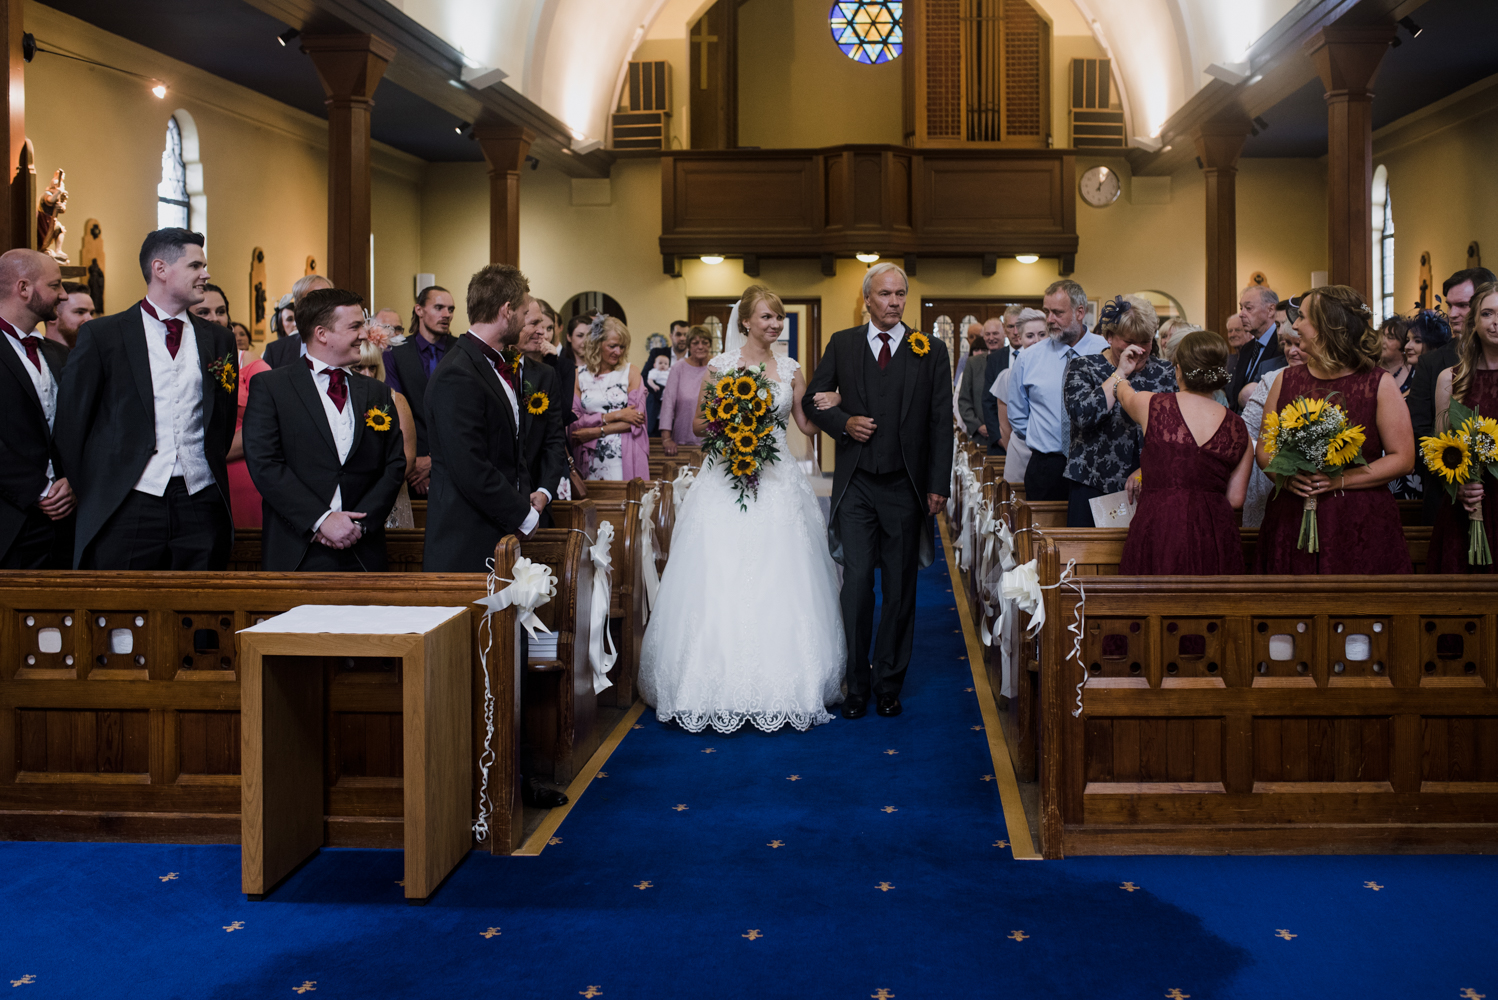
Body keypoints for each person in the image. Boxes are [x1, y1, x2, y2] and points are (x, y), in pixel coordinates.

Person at [640, 284, 845, 733]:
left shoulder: (790, 368)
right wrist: (733, 421)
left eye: (779, 317)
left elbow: (806, 425)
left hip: (777, 481)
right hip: (726, 477)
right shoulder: (721, 365)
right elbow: (697, 423)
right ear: (746, 321)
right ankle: (708, 683)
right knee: (721, 572)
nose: (775, 324)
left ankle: (790, 683)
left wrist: (833, 404)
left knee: (781, 574)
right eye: (767, 317)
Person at [806, 262, 954, 719]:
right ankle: (857, 682)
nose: (893, 302)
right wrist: (844, 421)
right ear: (867, 300)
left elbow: (939, 422)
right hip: (855, 487)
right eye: (884, 294)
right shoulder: (843, 344)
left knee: (899, 589)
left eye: (900, 294)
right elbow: (815, 398)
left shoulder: (929, 349)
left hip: (905, 487)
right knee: (856, 587)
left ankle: (889, 683)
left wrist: (937, 485)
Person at [55, 228, 237, 569]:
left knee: (197, 612)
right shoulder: (104, 335)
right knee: (125, 610)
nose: (206, 274)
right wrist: (95, 489)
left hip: (200, 497)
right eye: (196, 265)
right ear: (161, 269)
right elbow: (72, 421)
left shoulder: (219, 340)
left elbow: (222, 420)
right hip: (128, 499)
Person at [1254, 286, 1414, 575]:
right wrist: (1286, 479)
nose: (1295, 326)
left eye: (1302, 317)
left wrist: (1340, 480)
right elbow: (1265, 450)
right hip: (1292, 514)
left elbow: (1402, 457)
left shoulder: (1378, 383)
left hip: (1358, 518)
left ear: (1328, 325)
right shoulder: (1286, 381)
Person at [242, 289, 406, 571]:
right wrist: (321, 520)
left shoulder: (376, 392)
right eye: (355, 326)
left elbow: (394, 464)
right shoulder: (272, 388)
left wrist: (360, 525)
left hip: (363, 550)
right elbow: (265, 464)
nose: (365, 335)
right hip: (298, 548)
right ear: (321, 333)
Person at [422, 264, 566, 573]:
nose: (530, 325)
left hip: (499, 531)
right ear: (507, 310)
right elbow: (470, 466)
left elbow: (515, 452)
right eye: (525, 313)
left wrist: (527, 500)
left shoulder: (499, 366)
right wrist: (524, 515)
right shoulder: (457, 374)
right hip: (466, 538)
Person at [1114, 330, 1253, 574]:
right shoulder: (1238, 427)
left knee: (1152, 603)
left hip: (1159, 524)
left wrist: (1121, 374)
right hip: (1214, 532)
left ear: (1178, 370)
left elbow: (1124, 394)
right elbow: (1235, 500)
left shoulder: (1152, 405)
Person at [1061, 294, 1176, 525]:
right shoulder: (1083, 367)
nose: (1141, 350)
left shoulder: (1164, 371)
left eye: (1146, 341)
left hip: (1149, 483)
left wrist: (1146, 470)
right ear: (1109, 336)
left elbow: (1173, 429)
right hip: (1092, 483)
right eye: (1130, 341)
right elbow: (1082, 416)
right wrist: (1119, 374)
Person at [0, 249, 75, 568]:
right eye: (56, 285)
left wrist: (72, 480)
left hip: (66, 522)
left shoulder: (59, 354)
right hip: (9, 520)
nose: (64, 294)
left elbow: (81, 428)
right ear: (24, 288)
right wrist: (39, 490)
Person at [1007, 279, 1106, 502]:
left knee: (1088, 535)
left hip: (1095, 465)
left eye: (1057, 313)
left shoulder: (1105, 352)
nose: (1049, 320)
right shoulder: (1028, 358)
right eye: (1047, 311)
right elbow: (1017, 415)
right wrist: (1045, 440)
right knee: (1041, 534)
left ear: (1080, 312)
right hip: (1046, 467)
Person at [1428, 281, 1498, 573]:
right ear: (1474, 322)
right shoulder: (1451, 378)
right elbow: (1438, 450)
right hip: (1466, 507)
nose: (1495, 322)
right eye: (1487, 313)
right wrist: (1458, 483)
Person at [384, 286, 457, 498]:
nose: (447, 315)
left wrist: (435, 461)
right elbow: (396, 410)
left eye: (451, 309)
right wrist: (414, 462)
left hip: (456, 463)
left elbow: (466, 414)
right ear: (419, 310)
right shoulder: (396, 353)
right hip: (412, 466)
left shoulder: (462, 350)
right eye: (439, 307)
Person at [1240, 322, 1307, 528]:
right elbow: (1246, 430)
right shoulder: (1271, 379)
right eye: (1287, 343)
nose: (1291, 351)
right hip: (1269, 474)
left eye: (1298, 344)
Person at [571, 316, 649, 481]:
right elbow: (574, 423)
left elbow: (636, 420)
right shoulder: (579, 376)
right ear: (597, 344)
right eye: (612, 346)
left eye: (622, 346)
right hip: (588, 456)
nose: (618, 352)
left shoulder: (631, 372)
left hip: (624, 456)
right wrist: (617, 415)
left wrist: (594, 431)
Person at [350, 341, 417, 530]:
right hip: (351, 498)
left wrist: (376, 497)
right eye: (359, 367)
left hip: (389, 496)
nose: (368, 374)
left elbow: (408, 459)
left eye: (373, 367)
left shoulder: (395, 400)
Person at [516, 296, 570, 519]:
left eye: (545, 326)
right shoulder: (487, 371)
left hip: (536, 495)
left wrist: (545, 490)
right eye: (533, 324)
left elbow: (554, 438)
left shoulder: (545, 374)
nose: (542, 332)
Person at [990, 308, 1046, 489]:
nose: (1036, 341)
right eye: (1030, 336)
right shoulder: (1007, 376)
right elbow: (1005, 427)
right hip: (1020, 455)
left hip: (1049, 458)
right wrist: (1017, 452)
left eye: (1042, 334)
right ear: (1020, 339)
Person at [225, 336, 273, 529]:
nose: (213, 318)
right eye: (203, 312)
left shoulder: (248, 363)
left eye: (220, 312)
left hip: (243, 479)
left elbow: (269, 419)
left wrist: (211, 454)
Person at [1226, 285, 1282, 411]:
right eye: (1241, 308)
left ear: (1271, 310)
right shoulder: (1247, 348)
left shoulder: (1283, 345)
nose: (1241, 314)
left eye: (1248, 308)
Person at [660, 325, 714, 454]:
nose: (700, 346)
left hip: (713, 441)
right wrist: (666, 439)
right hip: (682, 441)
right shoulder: (678, 368)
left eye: (705, 343)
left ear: (710, 345)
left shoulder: (717, 366)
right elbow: (668, 405)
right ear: (689, 345)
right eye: (695, 343)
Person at [261, 275, 332, 369]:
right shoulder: (276, 351)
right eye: (315, 299)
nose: (324, 305)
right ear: (299, 306)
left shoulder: (346, 344)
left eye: (328, 298)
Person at [979, 311, 1022, 455]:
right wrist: (999, 438)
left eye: (1019, 326)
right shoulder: (994, 359)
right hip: (999, 444)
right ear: (1004, 329)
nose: (1015, 332)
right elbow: (988, 402)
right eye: (1010, 326)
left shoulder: (1036, 356)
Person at [957, 321, 1003, 448]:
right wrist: (978, 426)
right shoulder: (973, 363)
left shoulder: (1013, 360)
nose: (991, 338)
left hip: (1009, 437)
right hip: (981, 439)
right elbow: (964, 400)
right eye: (987, 334)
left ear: (1004, 334)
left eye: (995, 333)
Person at [44, 281, 93, 349]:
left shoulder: (93, 357)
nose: (90, 319)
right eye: (80, 312)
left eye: (91, 313)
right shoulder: (35, 356)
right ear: (52, 315)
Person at [1378, 315, 1413, 395]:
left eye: (1390, 337)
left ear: (1404, 344)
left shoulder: (1415, 373)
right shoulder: (1369, 368)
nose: (1382, 341)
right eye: (1381, 336)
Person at [643, 346, 673, 437]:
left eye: (665, 364)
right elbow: (648, 380)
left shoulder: (669, 371)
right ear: (655, 365)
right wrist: (654, 386)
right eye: (660, 363)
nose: (663, 365)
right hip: (657, 396)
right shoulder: (654, 371)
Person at [1222, 312, 1250, 378]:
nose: (1233, 335)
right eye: (1230, 331)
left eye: (1237, 330)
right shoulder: (1226, 361)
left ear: (1249, 333)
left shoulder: (1254, 359)